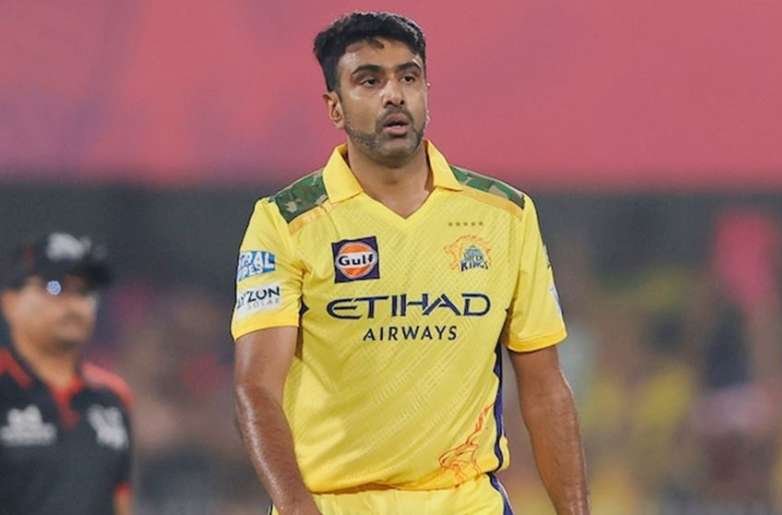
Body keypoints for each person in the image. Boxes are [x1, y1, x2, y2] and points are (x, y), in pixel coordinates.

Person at [232, 11, 589, 515]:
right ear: (335, 107)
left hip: (467, 502)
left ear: (426, 92)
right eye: (369, 81)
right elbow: (256, 389)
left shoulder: (504, 215)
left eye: (408, 77)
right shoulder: (286, 221)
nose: (394, 95)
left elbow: (545, 386)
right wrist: (295, 506)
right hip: (334, 505)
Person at [0, 232, 132, 515]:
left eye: (84, 291)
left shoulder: (112, 397)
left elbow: (120, 500)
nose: (73, 304)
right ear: (10, 302)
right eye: (54, 286)